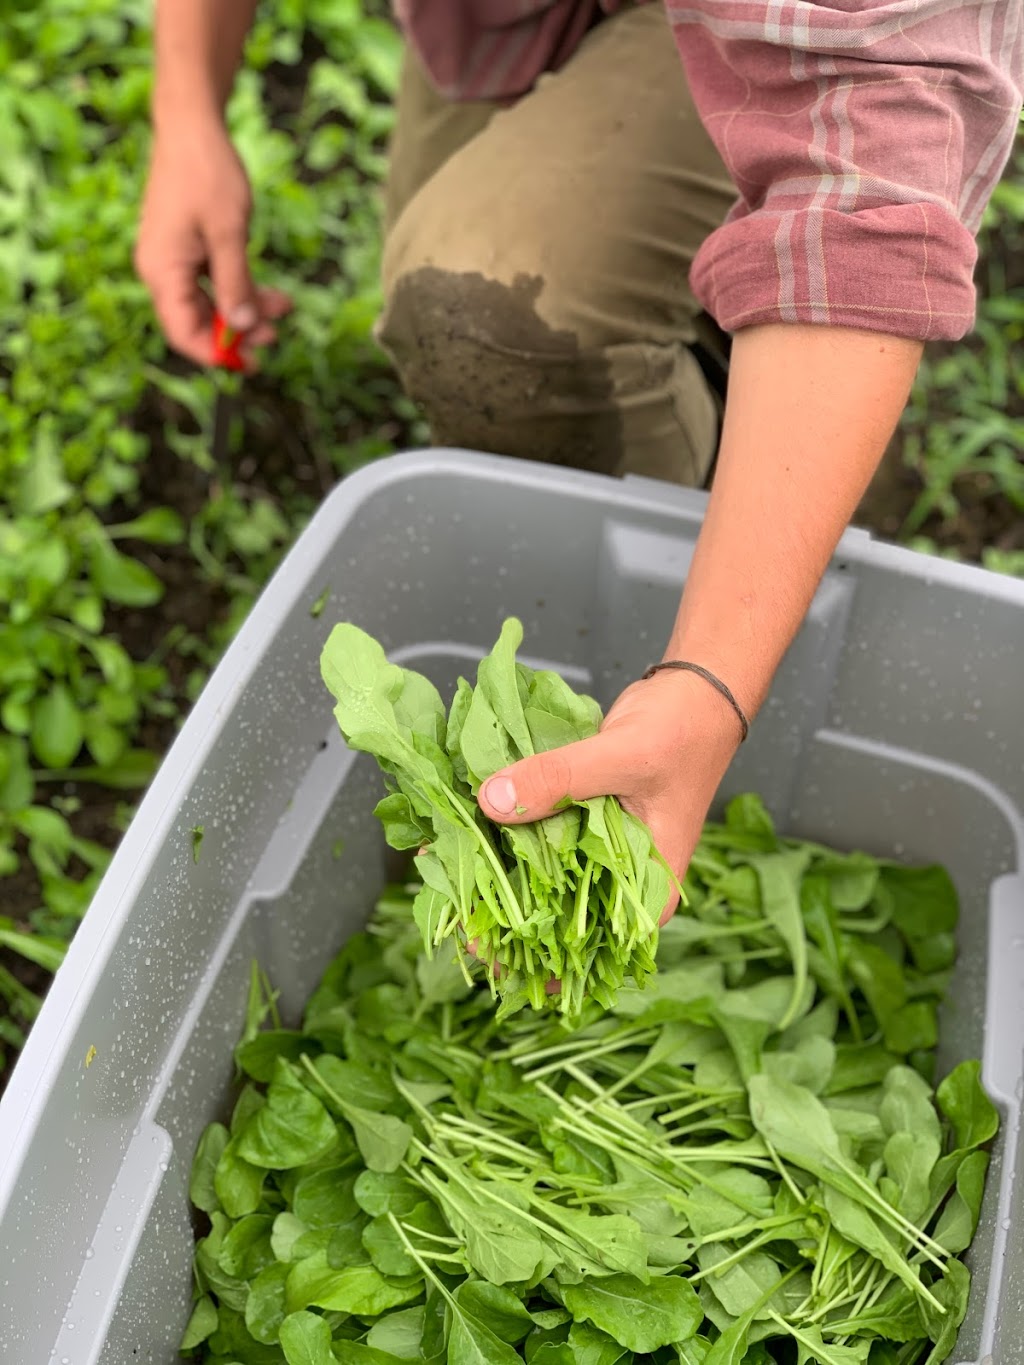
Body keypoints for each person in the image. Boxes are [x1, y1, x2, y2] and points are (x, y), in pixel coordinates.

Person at [136, 0, 1022, 909]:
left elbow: (860, 155)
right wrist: (189, 113)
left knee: (492, 319)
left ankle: (721, 576)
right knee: (452, 268)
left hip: (834, 31)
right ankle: (729, 384)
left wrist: (706, 687)